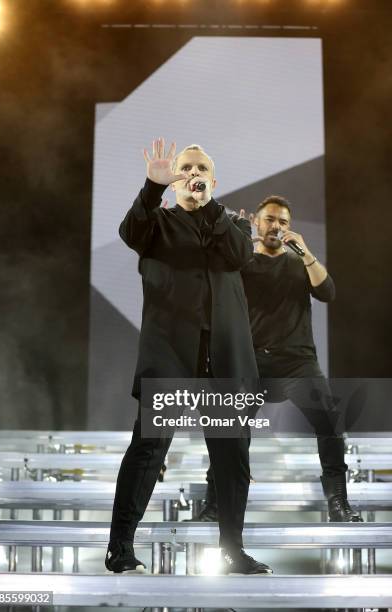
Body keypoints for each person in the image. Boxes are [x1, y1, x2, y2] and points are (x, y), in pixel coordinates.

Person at [105, 138, 273, 575]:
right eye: (186, 168)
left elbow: (240, 256)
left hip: (225, 362)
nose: (193, 174)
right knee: (147, 451)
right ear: (174, 177)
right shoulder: (155, 223)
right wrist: (150, 186)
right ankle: (120, 547)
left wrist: (211, 206)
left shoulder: (232, 226)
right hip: (171, 358)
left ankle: (232, 551)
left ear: (213, 182)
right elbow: (129, 232)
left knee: (232, 458)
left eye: (201, 169)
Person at [191, 195, 363, 524]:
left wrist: (307, 253)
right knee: (228, 428)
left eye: (283, 222)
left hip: (297, 363)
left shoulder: (301, 264)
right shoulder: (241, 264)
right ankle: (215, 503)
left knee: (329, 422)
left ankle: (339, 503)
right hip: (251, 362)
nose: (276, 226)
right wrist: (233, 246)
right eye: (270, 219)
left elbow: (327, 292)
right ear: (257, 221)